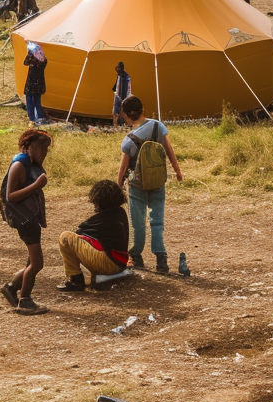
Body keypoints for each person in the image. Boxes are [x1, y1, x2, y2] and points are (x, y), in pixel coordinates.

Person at [117, 94, 183, 274]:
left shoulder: (129, 139)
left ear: (128, 114)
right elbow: (169, 151)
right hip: (157, 181)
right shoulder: (157, 126)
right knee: (157, 221)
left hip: (137, 184)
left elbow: (123, 167)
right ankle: (161, 259)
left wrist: (119, 183)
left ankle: (136, 255)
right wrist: (177, 171)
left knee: (138, 223)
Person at [0, 128, 52, 315]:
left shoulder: (29, 162)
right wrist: (36, 185)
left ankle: (11, 288)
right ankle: (25, 301)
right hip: (24, 219)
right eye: (41, 148)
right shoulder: (19, 165)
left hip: (31, 217)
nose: (44, 153)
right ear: (29, 147)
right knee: (37, 264)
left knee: (32, 260)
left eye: (47, 149)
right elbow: (11, 196)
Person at [57, 180, 130, 292]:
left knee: (66, 237)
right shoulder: (120, 213)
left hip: (108, 264)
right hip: (119, 263)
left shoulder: (104, 218)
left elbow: (81, 231)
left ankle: (76, 280)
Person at [23, 42, 47, 124]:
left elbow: (25, 62)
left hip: (32, 83)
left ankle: (32, 118)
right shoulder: (44, 59)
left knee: (30, 101)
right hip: (39, 83)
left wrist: (29, 54)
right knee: (37, 101)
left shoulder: (33, 59)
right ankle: (39, 117)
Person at [111, 61, 132, 128]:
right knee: (122, 111)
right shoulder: (125, 75)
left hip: (120, 96)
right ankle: (122, 124)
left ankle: (117, 125)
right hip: (123, 96)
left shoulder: (122, 76)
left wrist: (122, 98)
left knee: (117, 111)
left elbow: (123, 87)